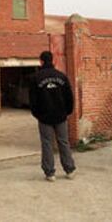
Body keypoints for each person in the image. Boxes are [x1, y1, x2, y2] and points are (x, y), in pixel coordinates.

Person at [29, 51, 76, 182]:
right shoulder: (62, 76)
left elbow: (32, 100)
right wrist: (67, 112)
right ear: (53, 60)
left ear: (41, 61)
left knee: (47, 143)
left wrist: (37, 114)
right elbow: (69, 97)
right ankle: (69, 169)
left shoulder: (35, 78)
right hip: (61, 116)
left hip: (44, 117)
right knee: (64, 142)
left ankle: (50, 173)